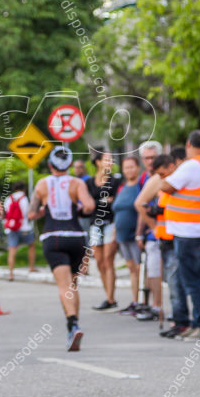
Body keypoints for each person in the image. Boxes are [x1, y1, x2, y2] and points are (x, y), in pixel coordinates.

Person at [28, 146, 96, 351]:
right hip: (76, 238)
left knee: (64, 286)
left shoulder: (42, 184)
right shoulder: (77, 183)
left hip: (53, 237)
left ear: (49, 165)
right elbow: (90, 206)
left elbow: (31, 214)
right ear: (68, 165)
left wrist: (42, 211)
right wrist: (80, 208)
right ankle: (74, 325)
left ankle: (72, 325)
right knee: (73, 285)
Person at [159, 130, 200, 341]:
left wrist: (162, 177)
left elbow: (167, 186)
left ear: (188, 144)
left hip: (188, 232)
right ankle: (199, 323)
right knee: (196, 280)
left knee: (192, 281)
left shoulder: (192, 165)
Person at [135, 154, 179, 330]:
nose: (149, 160)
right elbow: (140, 204)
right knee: (159, 273)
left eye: (152, 157)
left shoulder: (178, 176)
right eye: (146, 157)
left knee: (176, 277)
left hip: (181, 234)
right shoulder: (155, 180)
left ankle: (179, 314)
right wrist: (151, 227)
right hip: (162, 235)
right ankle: (158, 307)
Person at [88, 151, 122, 310]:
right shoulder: (89, 182)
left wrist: (100, 202)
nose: (110, 163)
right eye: (107, 160)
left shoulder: (115, 181)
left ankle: (111, 298)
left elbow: (114, 201)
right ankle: (107, 295)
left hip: (110, 223)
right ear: (98, 162)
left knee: (109, 260)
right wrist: (103, 201)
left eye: (111, 160)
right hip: (95, 224)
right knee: (100, 262)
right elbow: (88, 204)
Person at [113, 156, 143, 315]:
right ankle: (134, 300)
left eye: (132, 167)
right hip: (122, 236)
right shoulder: (122, 187)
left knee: (139, 268)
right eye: (126, 168)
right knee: (132, 268)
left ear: (138, 168)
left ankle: (143, 302)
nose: (129, 170)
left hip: (135, 235)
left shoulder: (141, 186)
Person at [3, 182, 36, 279]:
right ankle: (31, 267)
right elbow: (27, 212)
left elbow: (6, 211)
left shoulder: (9, 198)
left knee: (12, 249)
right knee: (31, 245)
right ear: (24, 189)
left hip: (11, 228)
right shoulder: (24, 198)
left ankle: (11, 273)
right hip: (24, 227)